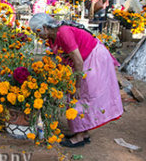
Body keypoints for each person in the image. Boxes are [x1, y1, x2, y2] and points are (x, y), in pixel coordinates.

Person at [29, 13, 123, 148]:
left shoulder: (64, 33)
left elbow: (78, 61)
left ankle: (79, 137)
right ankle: (83, 133)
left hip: (92, 58)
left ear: (45, 27)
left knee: (80, 95)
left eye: (37, 31)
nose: (37, 35)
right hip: (85, 59)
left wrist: (77, 85)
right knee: (79, 96)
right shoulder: (52, 36)